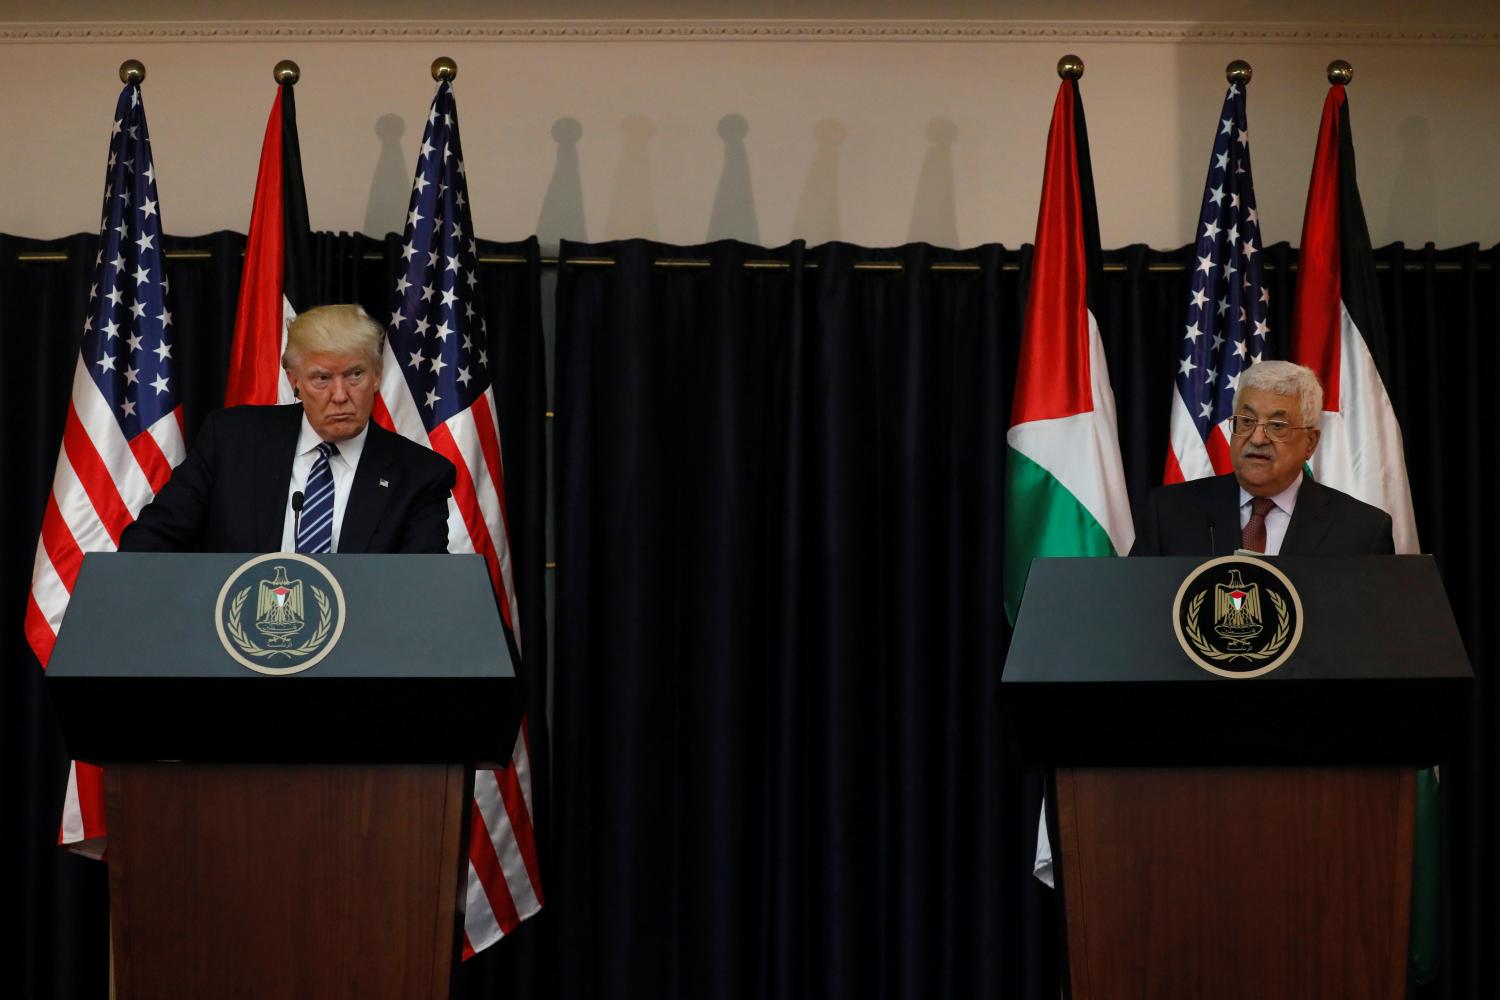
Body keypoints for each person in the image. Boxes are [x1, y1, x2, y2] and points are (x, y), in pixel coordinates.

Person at [120, 304, 455, 554]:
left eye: (355, 374)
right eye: (322, 378)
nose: (340, 396)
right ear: (295, 382)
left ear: (377, 376)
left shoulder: (419, 475)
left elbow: (418, 590)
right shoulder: (231, 440)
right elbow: (149, 542)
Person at [1131, 360, 1394, 556]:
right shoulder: (1168, 513)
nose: (1257, 438)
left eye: (1278, 425)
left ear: (1310, 443)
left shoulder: (1362, 531)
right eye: (1246, 421)